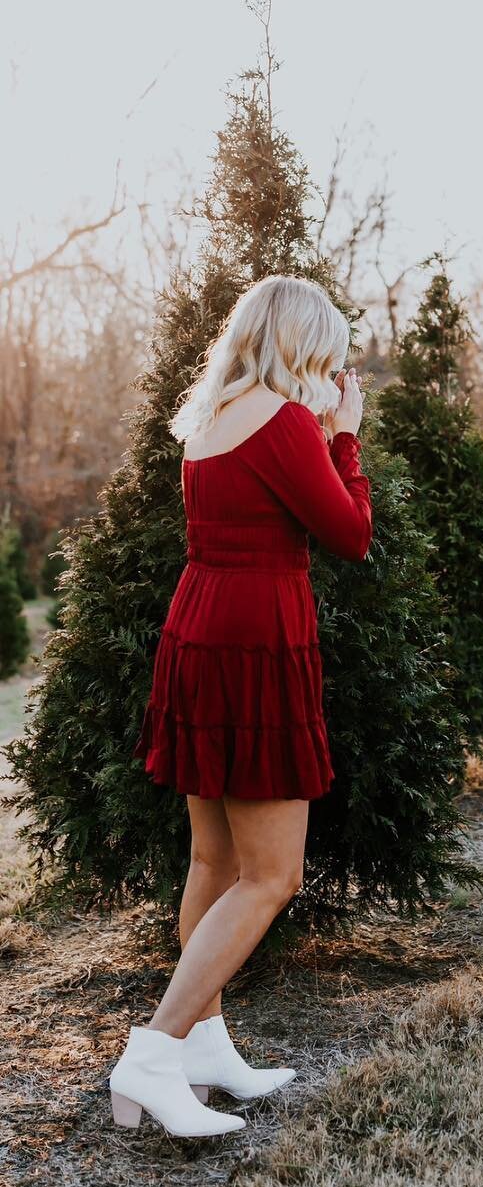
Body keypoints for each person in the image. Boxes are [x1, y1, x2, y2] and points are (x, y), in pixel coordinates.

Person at [107, 274, 372, 1138]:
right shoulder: (290, 421)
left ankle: (205, 1045)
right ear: (300, 343)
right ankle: (152, 1054)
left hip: (199, 631)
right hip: (255, 641)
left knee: (214, 860)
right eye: (327, 352)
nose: (334, 371)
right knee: (272, 872)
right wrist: (346, 439)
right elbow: (349, 535)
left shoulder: (208, 419)